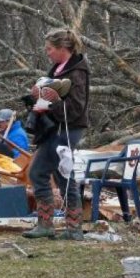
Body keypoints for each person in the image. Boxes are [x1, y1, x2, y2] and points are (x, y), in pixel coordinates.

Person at [22, 28, 90, 240]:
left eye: (50, 48)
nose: (47, 52)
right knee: (63, 177)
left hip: (65, 130)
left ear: (63, 48)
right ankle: (71, 229)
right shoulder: (60, 69)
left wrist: (53, 101)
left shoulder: (76, 73)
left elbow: (75, 108)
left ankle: (49, 225)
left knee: (38, 173)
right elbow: (52, 100)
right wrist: (37, 96)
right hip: (56, 129)